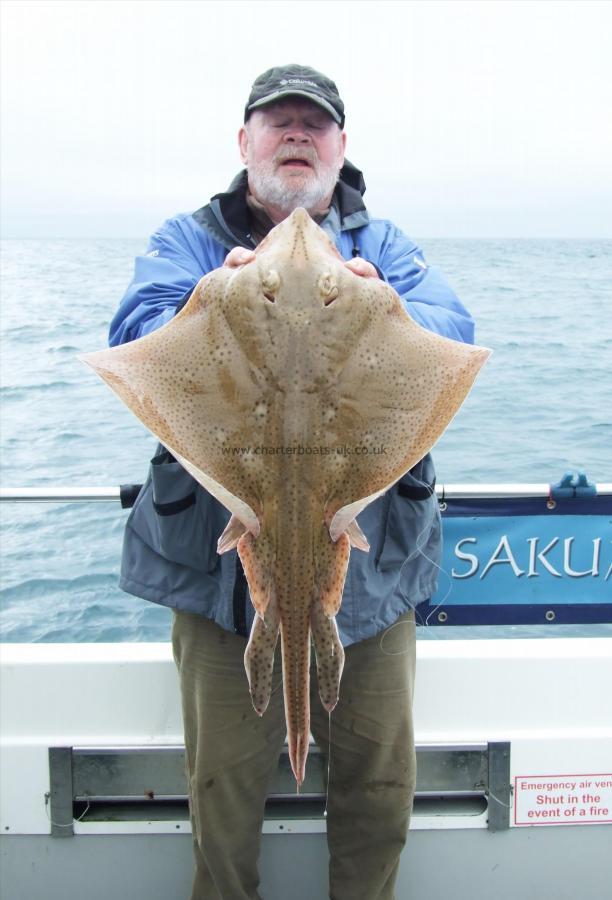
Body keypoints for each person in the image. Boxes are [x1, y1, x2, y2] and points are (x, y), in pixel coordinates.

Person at [110, 64, 475, 900]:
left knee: (381, 792)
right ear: (245, 142)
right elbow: (137, 323)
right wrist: (217, 294)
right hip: (217, 571)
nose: (299, 135)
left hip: (372, 573)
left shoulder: (382, 246)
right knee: (222, 795)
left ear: (342, 150)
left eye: (317, 124)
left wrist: (387, 305)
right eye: (281, 122)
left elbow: (453, 328)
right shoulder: (189, 238)